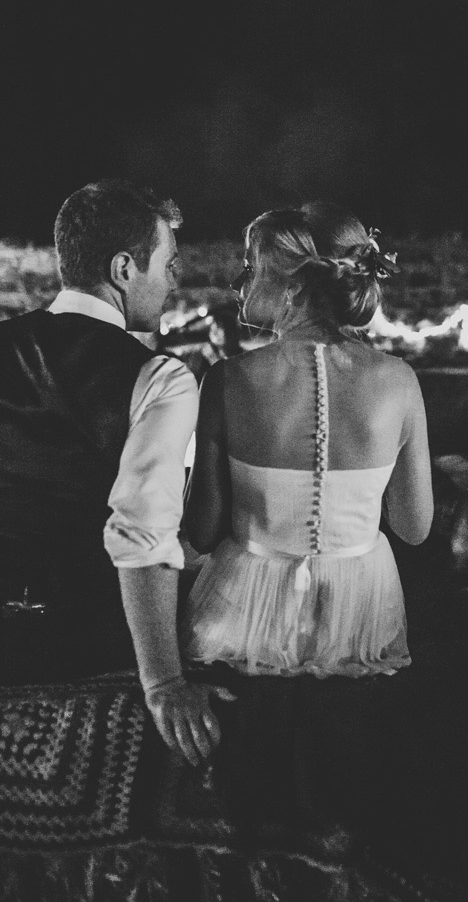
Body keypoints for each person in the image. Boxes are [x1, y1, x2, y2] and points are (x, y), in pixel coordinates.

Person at [176, 203, 434, 837]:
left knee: (250, 793)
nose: (238, 283)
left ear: (290, 283)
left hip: (246, 608)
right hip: (358, 609)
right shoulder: (399, 381)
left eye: (247, 267)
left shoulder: (229, 379)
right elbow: (414, 525)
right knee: (344, 793)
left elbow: (202, 530)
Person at [0, 179, 229, 762]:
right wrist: (164, 684)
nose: (176, 281)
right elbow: (140, 533)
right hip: (84, 636)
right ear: (125, 268)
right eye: (169, 264)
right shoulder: (162, 377)